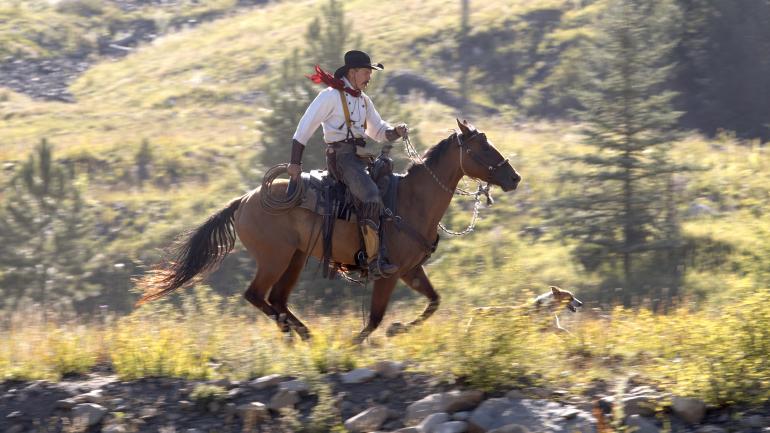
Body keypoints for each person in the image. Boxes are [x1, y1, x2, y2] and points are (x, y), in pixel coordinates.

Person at [289, 50, 408, 279]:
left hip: (358, 159)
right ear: (352, 73)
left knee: (387, 183)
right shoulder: (330, 96)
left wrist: (395, 131)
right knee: (370, 195)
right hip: (341, 159)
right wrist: (295, 163)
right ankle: (373, 260)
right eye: (366, 72)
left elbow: (378, 130)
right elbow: (304, 128)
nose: (369, 77)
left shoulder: (364, 100)